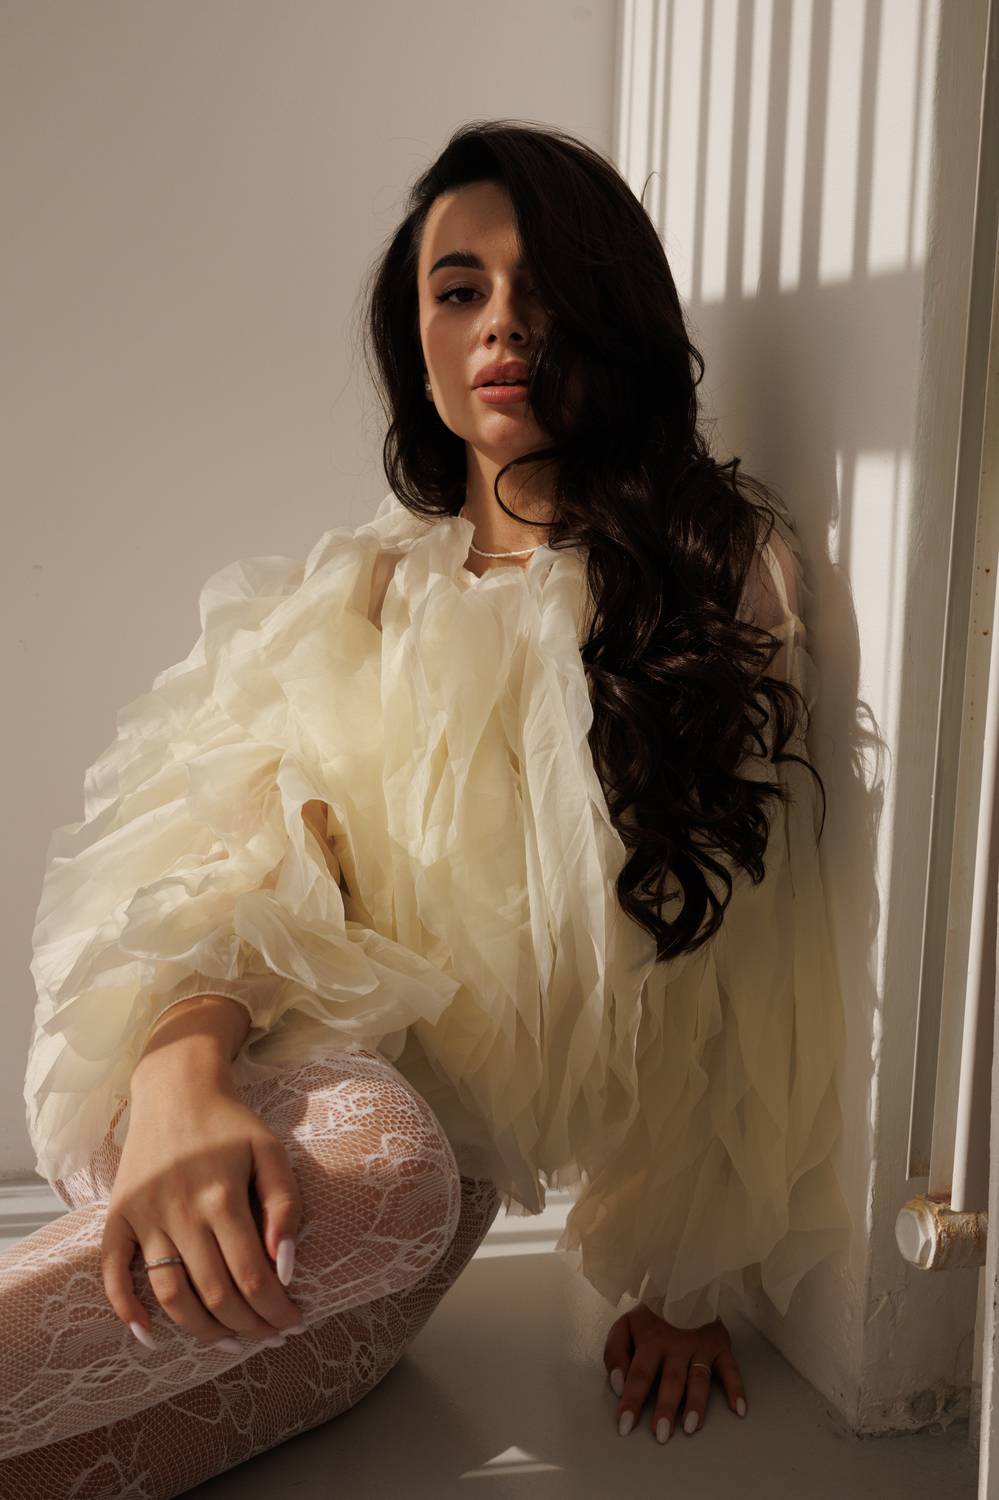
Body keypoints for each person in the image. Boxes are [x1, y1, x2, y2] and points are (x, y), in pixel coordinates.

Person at [2, 119, 853, 1493]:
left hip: (374, 1230)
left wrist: (680, 1277)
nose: (503, 322)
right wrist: (175, 1082)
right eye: (460, 290)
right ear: (419, 340)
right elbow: (226, 847)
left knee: (84, 1457)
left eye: (546, 284)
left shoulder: (712, 587)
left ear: (615, 311)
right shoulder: (362, 591)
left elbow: (737, 968)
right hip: (199, 1097)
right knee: (394, 1158)